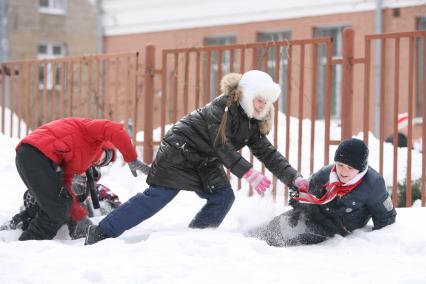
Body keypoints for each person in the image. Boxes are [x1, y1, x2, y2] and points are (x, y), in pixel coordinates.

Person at [84, 70, 309, 245]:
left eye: (266, 102)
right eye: (258, 100)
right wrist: (248, 173)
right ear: (246, 95)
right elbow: (221, 146)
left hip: (205, 159)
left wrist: (294, 179)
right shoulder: (222, 109)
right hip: (179, 151)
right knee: (159, 196)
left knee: (223, 196)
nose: (262, 106)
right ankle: (102, 231)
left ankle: (195, 239)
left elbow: (268, 153)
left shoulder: (252, 121)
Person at [14, 117, 150, 241]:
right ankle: (26, 245)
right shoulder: (89, 130)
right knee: (57, 211)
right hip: (36, 155)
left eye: (103, 162)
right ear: (103, 144)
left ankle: (28, 243)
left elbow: (66, 190)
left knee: (59, 206)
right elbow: (115, 129)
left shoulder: (79, 162)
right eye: (104, 155)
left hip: (30, 157)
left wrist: (81, 218)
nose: (100, 160)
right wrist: (131, 158)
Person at [249, 138, 397, 247]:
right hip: (313, 213)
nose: (343, 172)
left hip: (332, 226)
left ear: (361, 168)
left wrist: (374, 243)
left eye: (350, 168)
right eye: (340, 165)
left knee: (285, 234)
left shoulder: (373, 184)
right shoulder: (327, 174)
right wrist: (300, 196)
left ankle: (256, 247)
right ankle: (246, 238)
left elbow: (386, 218)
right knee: (274, 225)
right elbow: (308, 193)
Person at [0, 166, 122, 239]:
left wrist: (96, 205)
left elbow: (115, 204)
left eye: (84, 173)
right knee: (45, 200)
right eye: (76, 173)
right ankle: (27, 218)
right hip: (54, 211)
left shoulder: (97, 189)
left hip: (85, 218)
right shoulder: (59, 187)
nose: (80, 175)